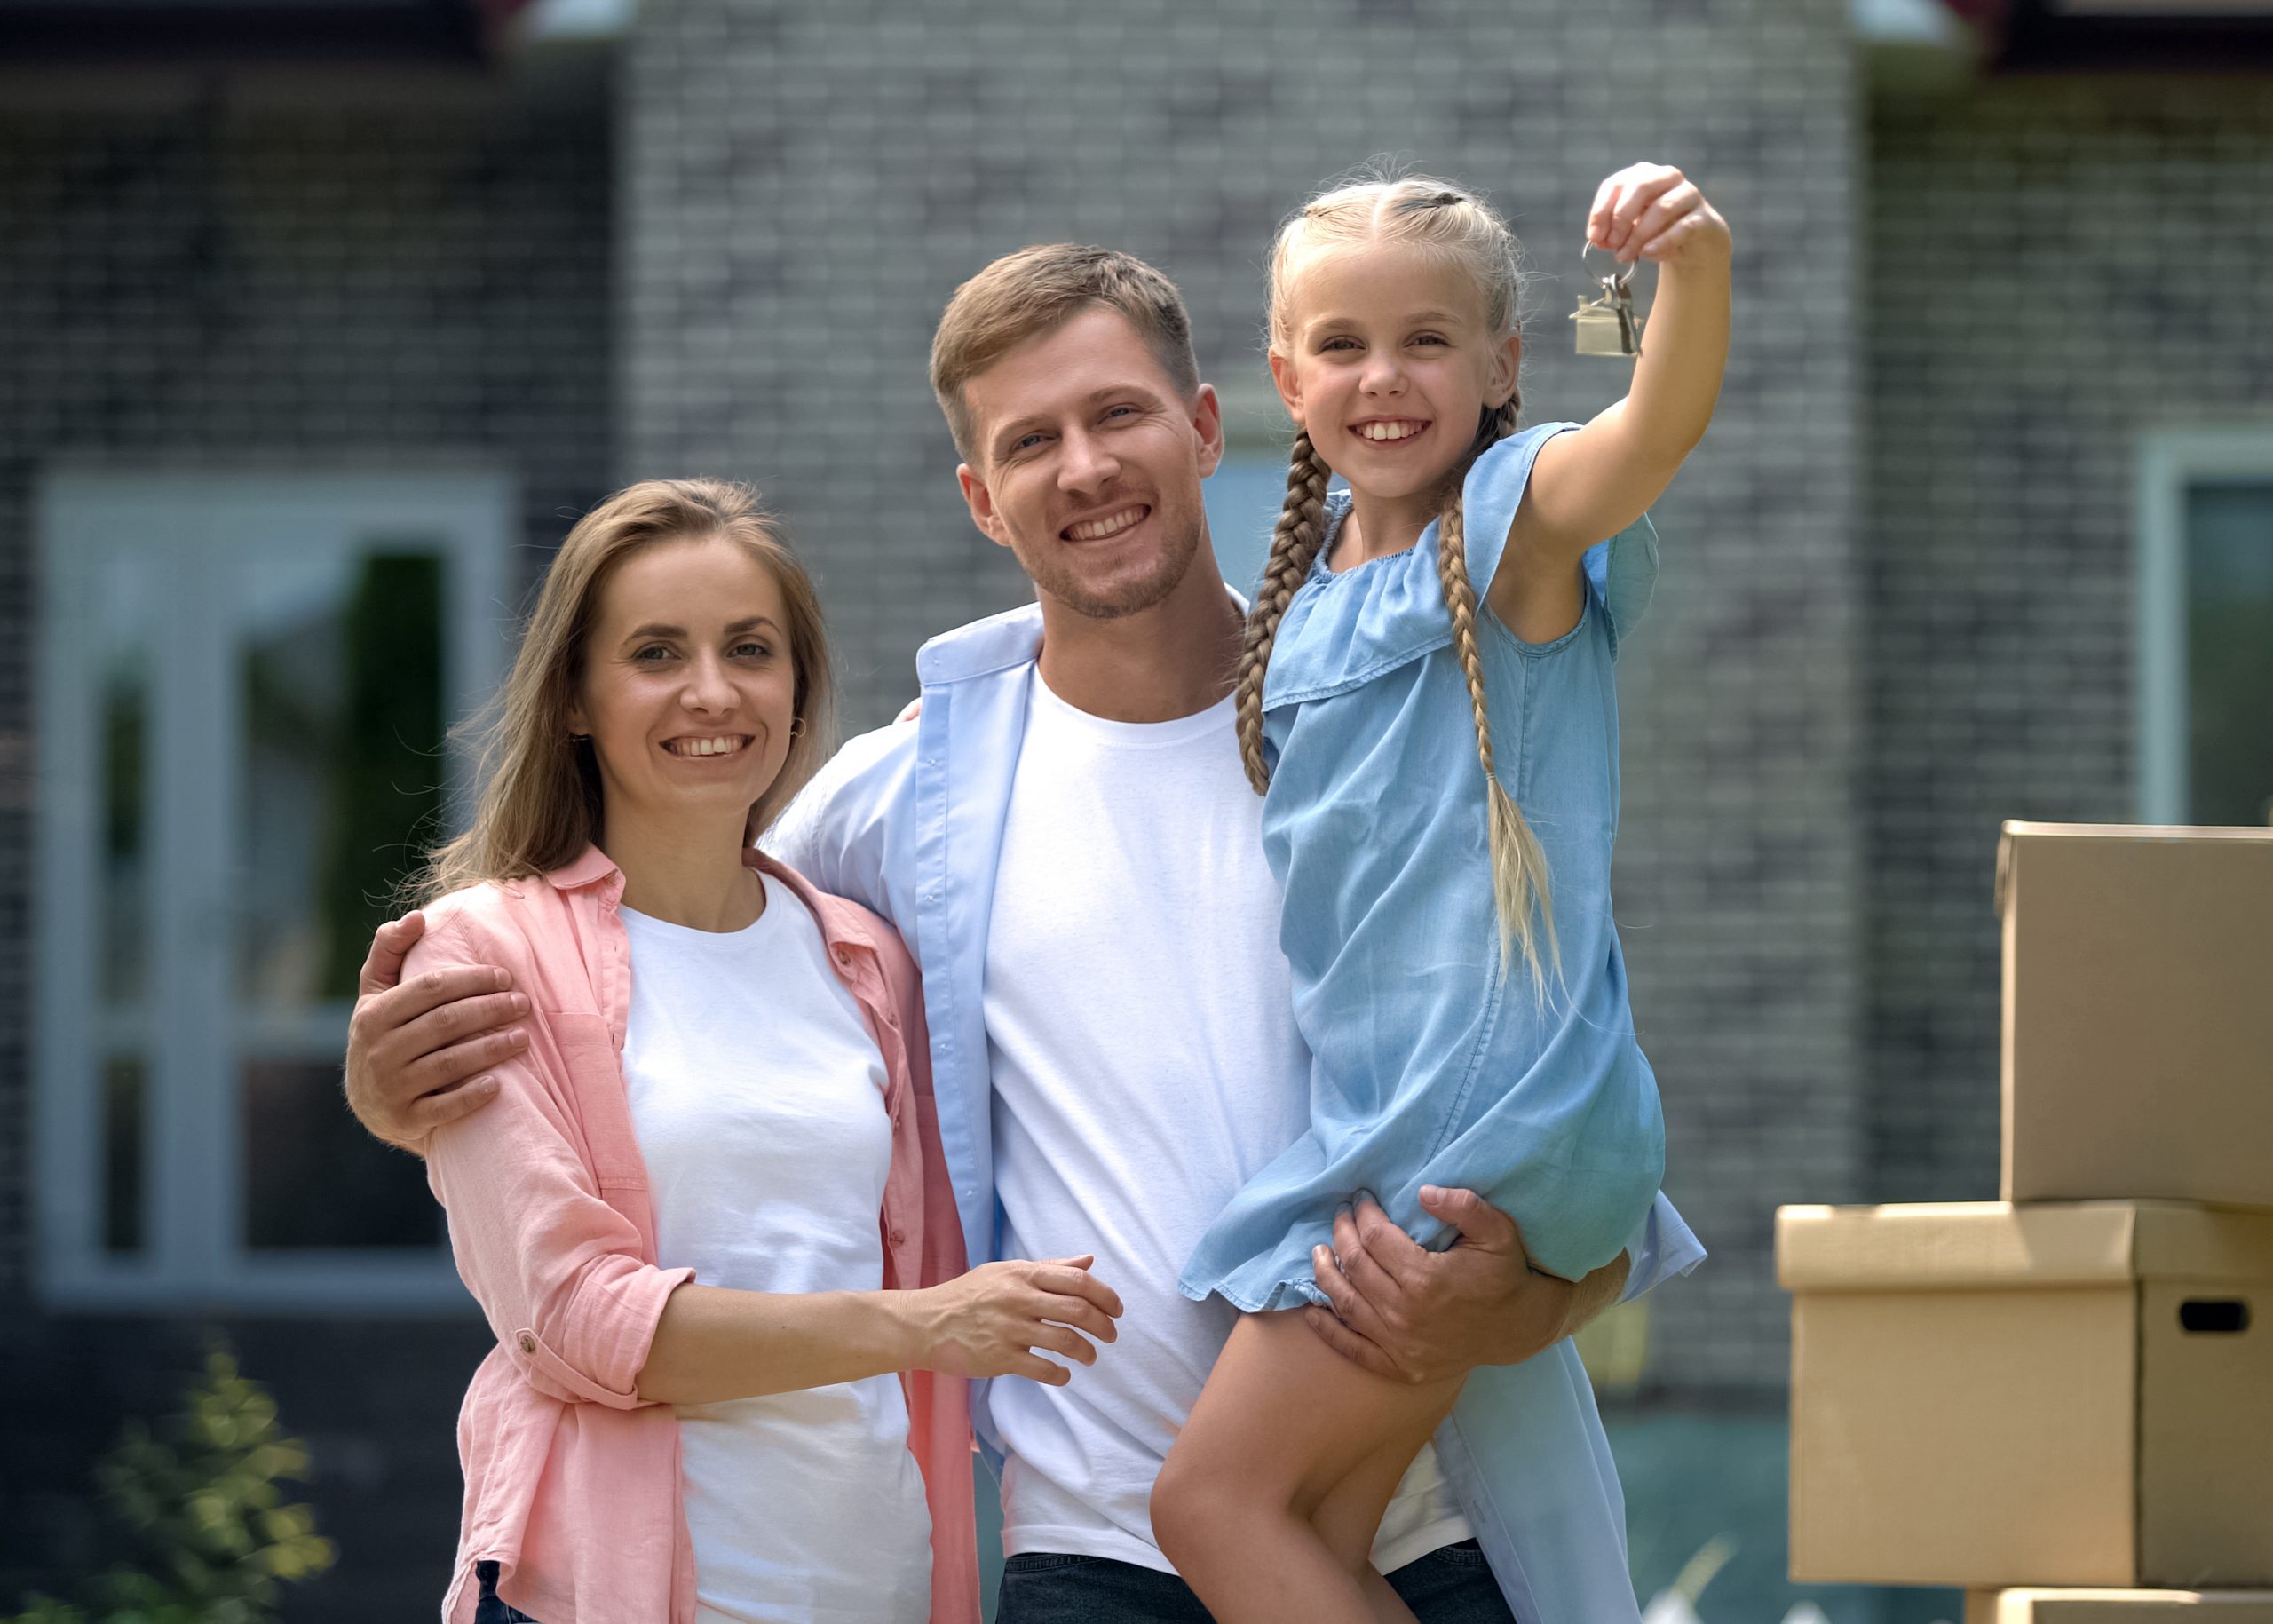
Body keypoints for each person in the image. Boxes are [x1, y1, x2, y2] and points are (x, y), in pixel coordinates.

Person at [345, 249, 1706, 1624]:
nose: (1086, 468)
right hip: (1085, 1557)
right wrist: (398, 1094)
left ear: (1207, 427)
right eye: (1030, 442)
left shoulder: (1392, 718)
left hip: (1421, 1525)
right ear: (980, 499)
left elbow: (1544, 1071)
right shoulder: (899, 808)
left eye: (1118, 415)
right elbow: (668, 976)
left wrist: (1526, 1301)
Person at [1148, 167, 1730, 1624]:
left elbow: (1650, 431)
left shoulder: (1507, 529)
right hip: (1461, 1114)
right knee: (1316, 1536)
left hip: (1471, 1117)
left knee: (1209, 1503)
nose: (1383, 376)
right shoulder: (1310, 597)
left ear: (1503, 365)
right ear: (1285, 375)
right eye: (1340, 345)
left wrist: (1696, 273)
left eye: (1427, 341)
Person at [386, 477, 1121, 1624]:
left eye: (750, 648)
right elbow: (580, 1320)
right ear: (576, 696)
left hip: (877, 1582)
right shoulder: (486, 952)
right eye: (657, 653)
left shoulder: (863, 957)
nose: (713, 690)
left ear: (796, 683)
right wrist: (925, 1320)